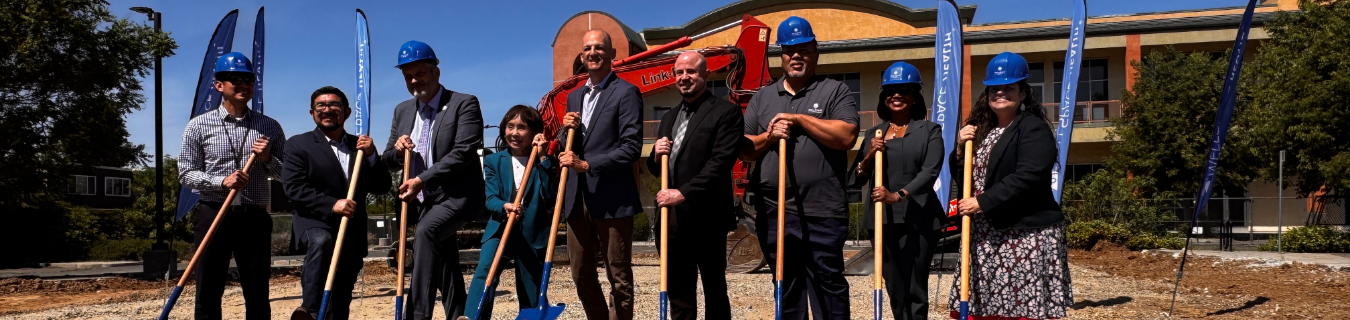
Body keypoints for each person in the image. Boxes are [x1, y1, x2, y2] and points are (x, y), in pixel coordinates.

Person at [739, 16, 859, 319]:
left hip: (823, 209)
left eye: (804, 49)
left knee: (827, 282)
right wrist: (770, 135)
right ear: (781, 56)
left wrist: (800, 120)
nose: (796, 56)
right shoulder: (763, 96)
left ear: (815, 53)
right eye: (790, 50)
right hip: (774, 210)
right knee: (786, 283)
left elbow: (846, 135)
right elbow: (745, 150)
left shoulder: (834, 91)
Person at [946, 52, 1072, 319]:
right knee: (986, 305)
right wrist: (959, 149)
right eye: (995, 88)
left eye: (1009, 87)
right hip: (985, 233)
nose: (1000, 93)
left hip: (1023, 234)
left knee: (1017, 308)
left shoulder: (1033, 128)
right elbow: (965, 178)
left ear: (1024, 93)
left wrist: (982, 202)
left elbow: (1030, 175)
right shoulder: (983, 131)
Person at [381, 40, 486, 320]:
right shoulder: (402, 111)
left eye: (420, 74)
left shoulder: (464, 103)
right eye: (408, 76)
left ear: (435, 72)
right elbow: (388, 158)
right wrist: (397, 149)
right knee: (446, 261)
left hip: (457, 195)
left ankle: (416, 315)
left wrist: (422, 180)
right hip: (423, 200)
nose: (414, 80)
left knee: (427, 233)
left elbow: (464, 152)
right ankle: (459, 315)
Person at [177, 52, 284, 320]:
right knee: (209, 290)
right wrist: (220, 182)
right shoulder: (198, 126)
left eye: (249, 79)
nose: (243, 85)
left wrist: (268, 158)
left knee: (258, 291)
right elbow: (185, 173)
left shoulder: (269, 126)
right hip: (214, 213)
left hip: (254, 218)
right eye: (235, 80)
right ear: (219, 85)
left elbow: (287, 174)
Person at [643, 51, 744, 320]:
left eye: (691, 71)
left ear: (706, 75)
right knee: (679, 293)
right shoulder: (669, 117)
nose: (684, 77)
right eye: (679, 73)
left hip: (707, 217)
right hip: (673, 219)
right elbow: (659, 170)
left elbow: (720, 162)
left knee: (714, 289)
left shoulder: (726, 112)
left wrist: (684, 192)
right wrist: (655, 156)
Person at [282, 86, 391, 320]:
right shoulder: (298, 145)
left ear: (347, 112)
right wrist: (332, 204)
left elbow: (382, 186)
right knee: (323, 241)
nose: (327, 109)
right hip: (314, 221)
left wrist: (372, 156)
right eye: (321, 106)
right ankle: (309, 310)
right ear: (312, 113)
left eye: (334, 105)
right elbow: (293, 188)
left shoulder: (360, 147)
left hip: (352, 230)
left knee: (341, 299)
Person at [848, 62, 946, 320]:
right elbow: (855, 180)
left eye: (904, 90)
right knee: (894, 288)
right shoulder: (873, 133)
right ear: (884, 97)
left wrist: (898, 195)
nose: (897, 95)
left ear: (914, 97)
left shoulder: (930, 131)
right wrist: (869, 155)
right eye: (891, 91)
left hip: (919, 220)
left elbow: (930, 171)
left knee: (915, 287)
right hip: (882, 222)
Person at [558, 29, 644, 320]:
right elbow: (568, 146)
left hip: (612, 197)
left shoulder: (626, 93)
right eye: (587, 48)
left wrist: (588, 165)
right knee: (580, 272)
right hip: (576, 197)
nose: (592, 53)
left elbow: (631, 147)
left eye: (599, 47)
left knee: (617, 274)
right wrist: (563, 130)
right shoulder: (574, 97)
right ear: (581, 55)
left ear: (612, 54)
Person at [465, 105, 557, 320]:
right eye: (510, 126)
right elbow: (491, 198)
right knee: (484, 274)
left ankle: (531, 316)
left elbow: (550, 195)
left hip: (532, 232)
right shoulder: (493, 161)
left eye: (522, 128)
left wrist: (543, 158)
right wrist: (504, 206)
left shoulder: (544, 161)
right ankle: (472, 317)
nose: (514, 133)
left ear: (535, 133)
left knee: (530, 285)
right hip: (500, 228)